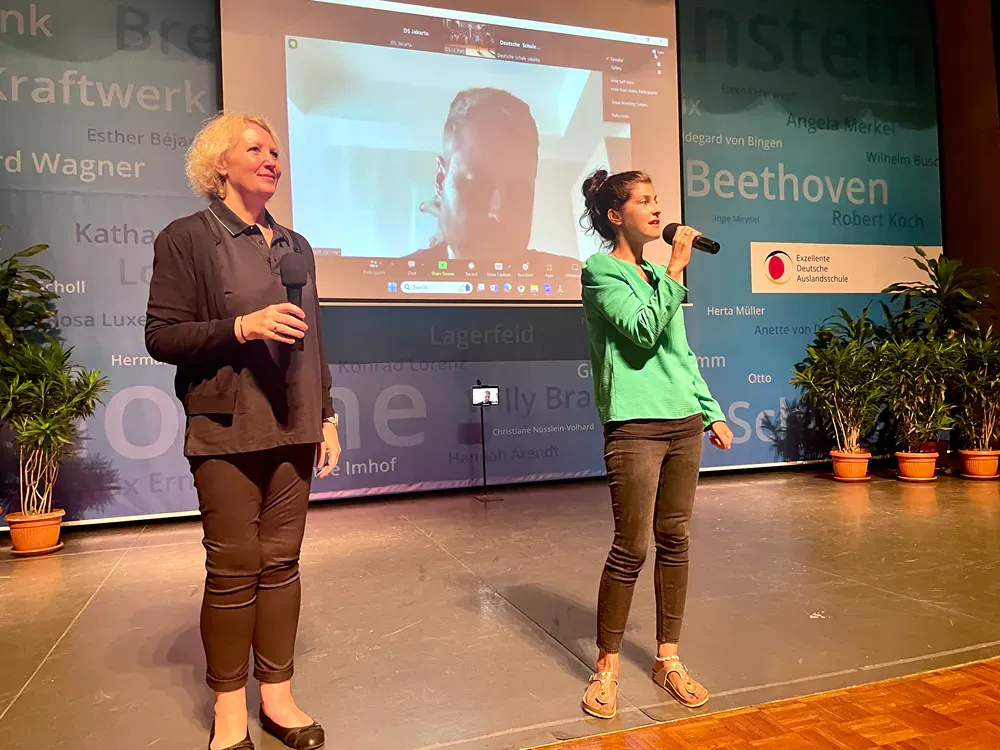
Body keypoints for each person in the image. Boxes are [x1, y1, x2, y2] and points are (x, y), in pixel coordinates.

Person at [145, 112, 340, 750]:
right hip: (227, 424)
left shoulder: (297, 245)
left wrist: (327, 414)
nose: (271, 159)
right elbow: (162, 336)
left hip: (295, 422)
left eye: (276, 151)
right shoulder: (187, 238)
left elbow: (315, 341)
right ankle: (229, 709)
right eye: (254, 148)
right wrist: (241, 328)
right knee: (234, 568)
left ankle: (278, 698)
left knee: (282, 563)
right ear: (218, 164)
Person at [578, 169, 734, 720]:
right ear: (615, 215)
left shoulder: (656, 274)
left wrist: (711, 412)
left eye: (657, 199)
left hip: (683, 422)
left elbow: (678, 353)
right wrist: (674, 271)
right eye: (644, 201)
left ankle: (668, 658)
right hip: (635, 425)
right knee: (632, 546)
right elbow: (641, 331)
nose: (657, 208)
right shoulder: (601, 271)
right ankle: (607, 666)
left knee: (675, 539)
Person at [406, 87, 565, 267]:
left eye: (519, 192)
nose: (498, 213)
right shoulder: (398, 275)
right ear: (441, 181)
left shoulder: (582, 282)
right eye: (475, 187)